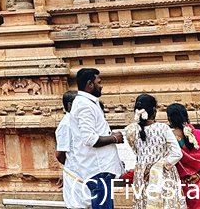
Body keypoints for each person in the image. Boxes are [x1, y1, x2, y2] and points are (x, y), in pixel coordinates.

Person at [70, 68, 124, 209]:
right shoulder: (84, 105)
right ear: (90, 84)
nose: (101, 85)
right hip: (98, 168)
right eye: (99, 82)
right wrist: (114, 138)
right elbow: (90, 139)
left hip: (101, 168)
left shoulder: (88, 103)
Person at [123, 94, 183, 209]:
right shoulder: (163, 128)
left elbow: (136, 152)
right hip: (163, 174)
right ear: (154, 110)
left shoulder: (130, 130)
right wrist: (158, 166)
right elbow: (177, 153)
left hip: (141, 174)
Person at [166, 103, 200, 209]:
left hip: (182, 187)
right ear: (186, 116)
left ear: (169, 119)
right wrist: (199, 175)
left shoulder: (168, 139)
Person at [58, 90, 90, 208]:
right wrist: (71, 164)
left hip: (84, 171)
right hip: (74, 173)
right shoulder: (66, 124)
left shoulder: (78, 121)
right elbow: (60, 153)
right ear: (70, 105)